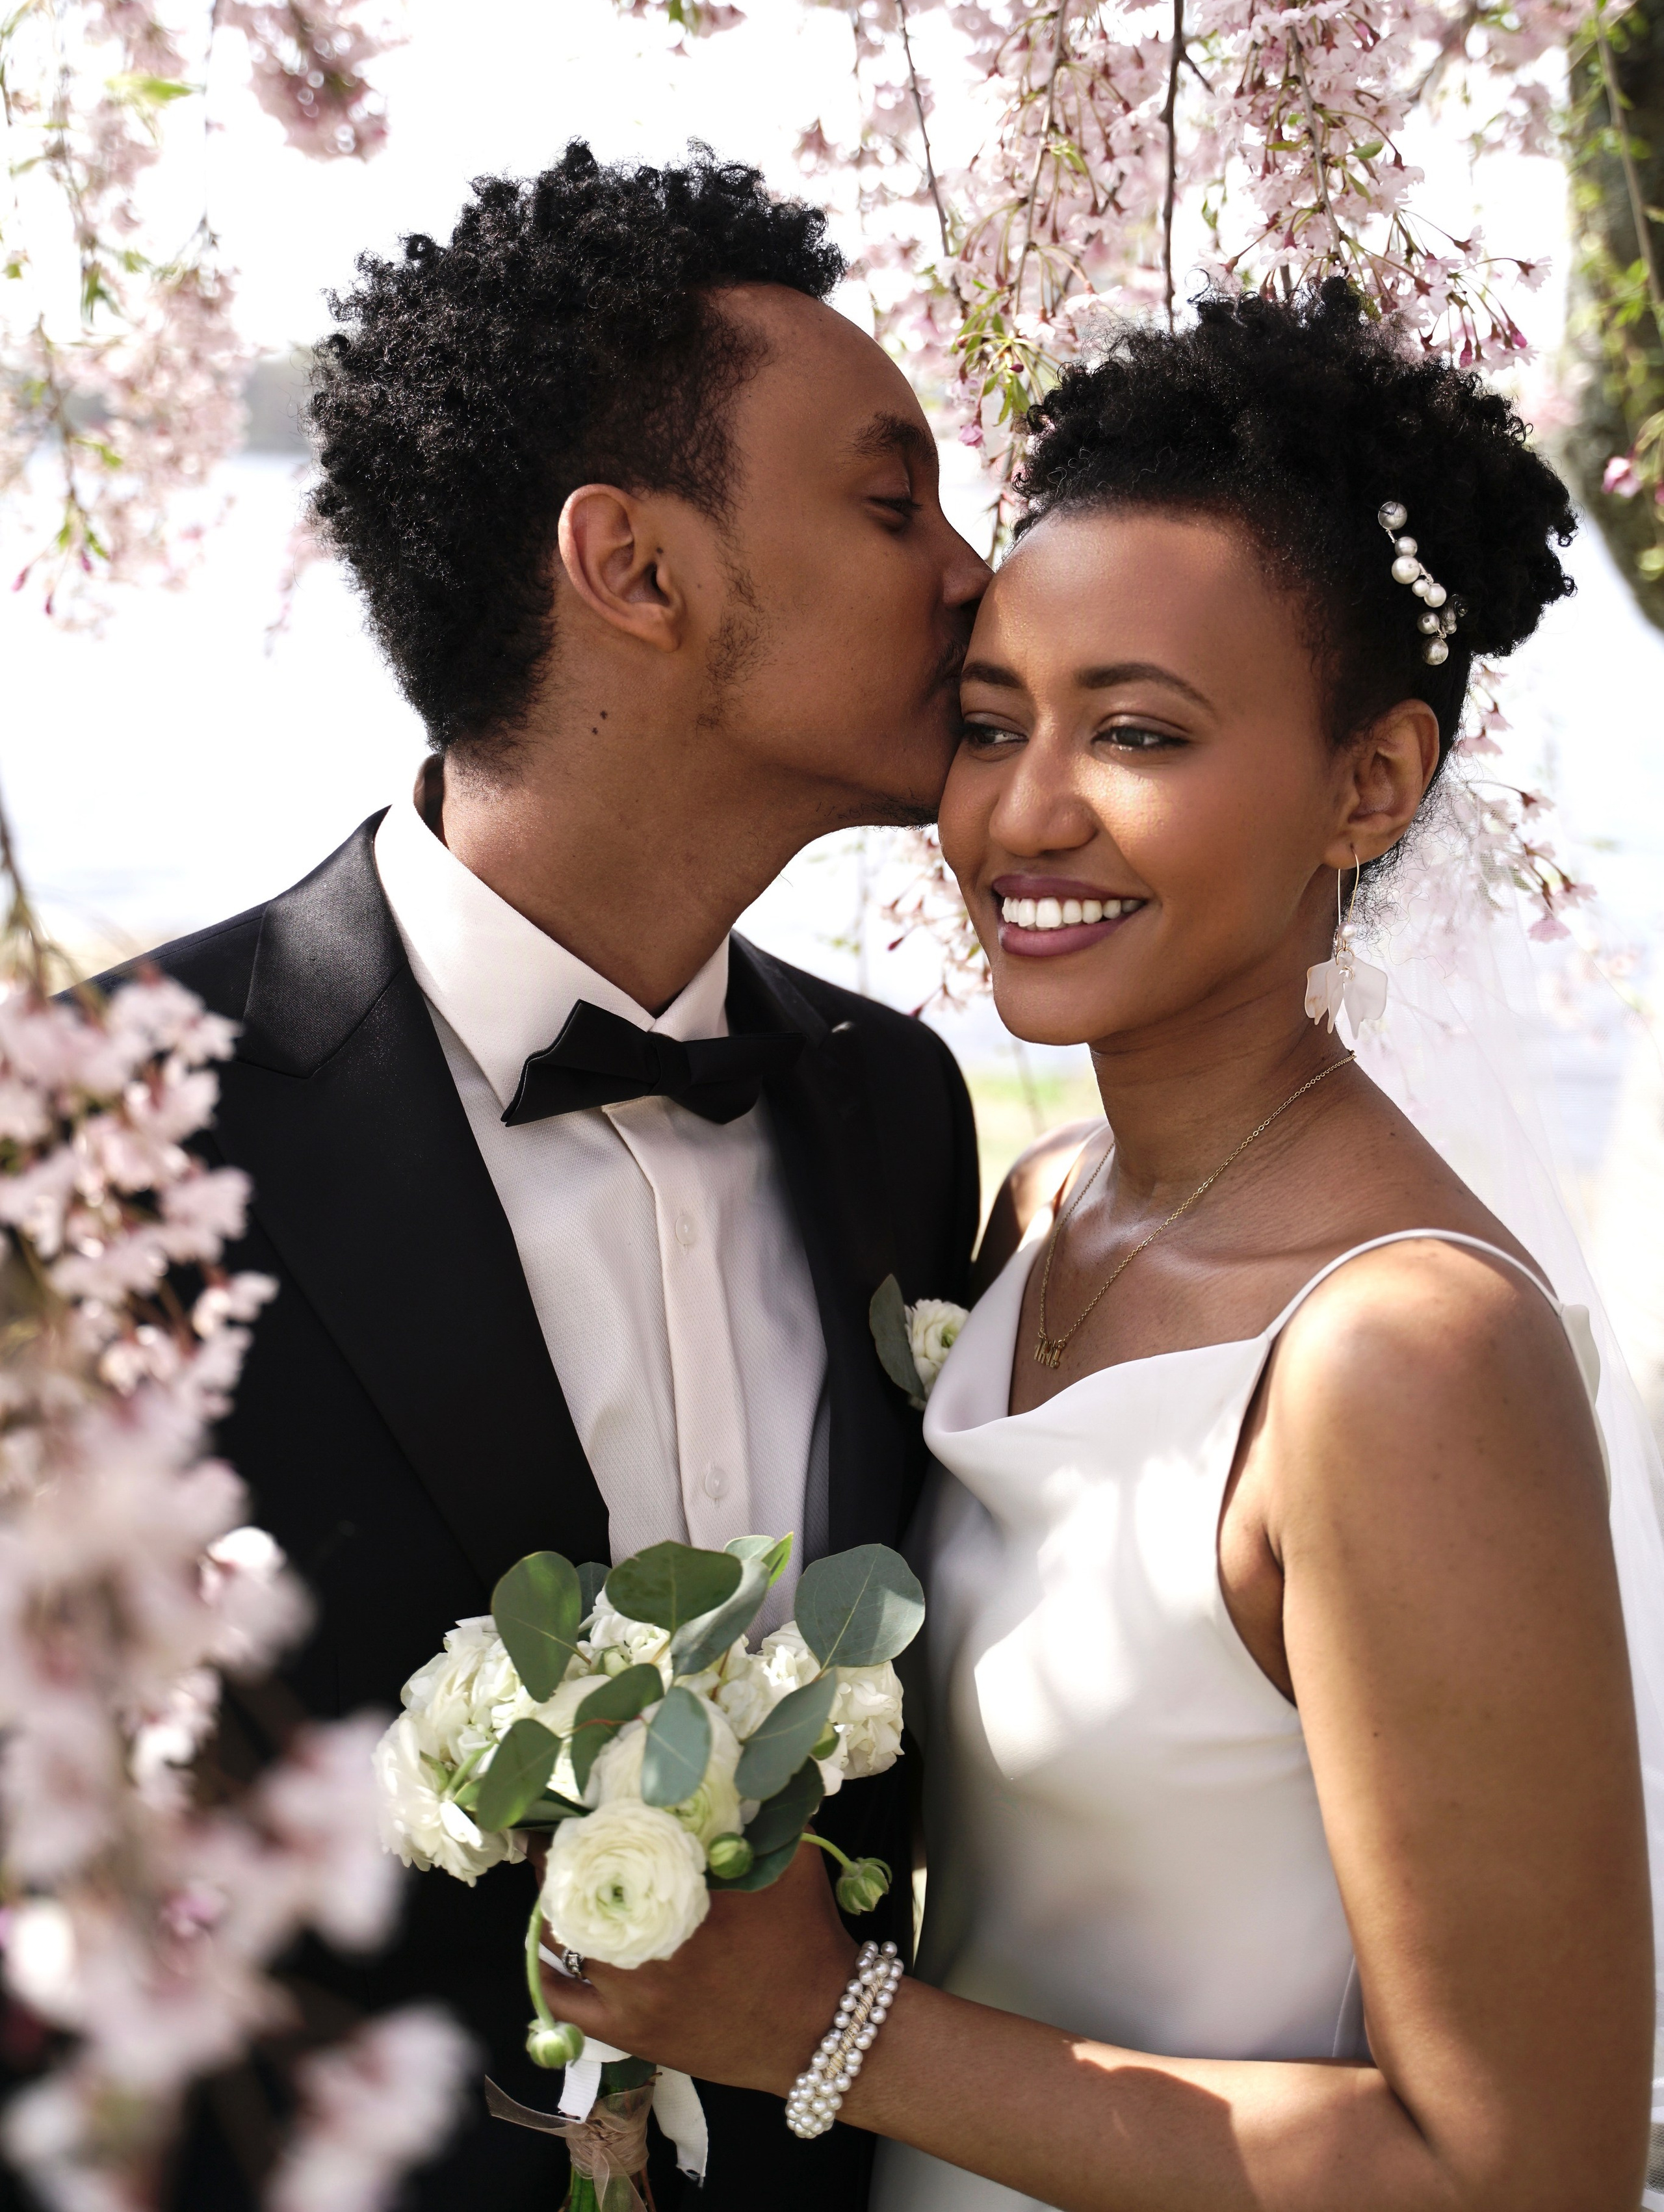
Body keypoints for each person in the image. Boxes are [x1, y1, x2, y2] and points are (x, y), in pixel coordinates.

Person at [532, 283, 1661, 2212]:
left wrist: (826, 2030)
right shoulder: (1040, 1213)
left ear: (1372, 784)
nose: (1023, 815)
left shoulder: (1399, 1353)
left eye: (1138, 731)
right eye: (991, 725)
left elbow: (1519, 2171)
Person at [106, 142, 987, 2209]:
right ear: (637, 570)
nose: (973, 576)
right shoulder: (113, 1136)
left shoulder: (901, 1109)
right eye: (895, 506)